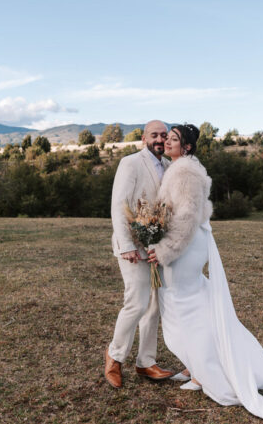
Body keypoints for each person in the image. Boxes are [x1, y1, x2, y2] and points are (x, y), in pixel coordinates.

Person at [148, 124, 263, 424]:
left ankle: (208, 374)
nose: (167, 141)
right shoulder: (180, 167)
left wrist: (165, 250)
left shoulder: (185, 173)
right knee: (188, 307)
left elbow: (188, 216)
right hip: (186, 243)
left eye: (174, 139)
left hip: (185, 246)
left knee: (184, 308)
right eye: (168, 137)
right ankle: (198, 368)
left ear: (188, 147)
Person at [104, 120, 176, 388]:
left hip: (156, 249)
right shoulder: (130, 163)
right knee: (136, 302)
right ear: (144, 138)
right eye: (154, 135)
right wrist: (126, 245)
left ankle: (146, 362)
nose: (159, 139)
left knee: (154, 305)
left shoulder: (170, 166)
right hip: (133, 247)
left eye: (163, 135)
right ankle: (114, 356)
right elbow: (118, 205)